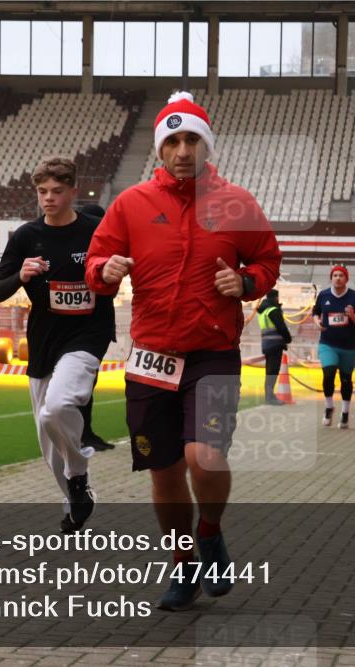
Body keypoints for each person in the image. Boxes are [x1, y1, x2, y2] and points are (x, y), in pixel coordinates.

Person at [85, 91, 281, 611]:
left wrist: (246, 281)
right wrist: (101, 272)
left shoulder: (238, 203)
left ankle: (210, 532)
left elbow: (267, 262)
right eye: (172, 140)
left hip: (212, 351)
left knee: (206, 455)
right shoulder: (131, 203)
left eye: (191, 139)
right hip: (151, 354)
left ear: (206, 145)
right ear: (159, 149)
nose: (182, 149)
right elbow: (99, 258)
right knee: (165, 470)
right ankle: (182, 566)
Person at [0, 156, 115, 534]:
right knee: (48, 446)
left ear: (73, 192)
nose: (48, 198)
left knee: (56, 408)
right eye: (42, 191)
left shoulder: (96, 231)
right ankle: (76, 501)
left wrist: (111, 273)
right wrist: (20, 274)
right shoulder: (27, 236)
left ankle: (78, 476)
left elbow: (117, 274)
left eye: (57, 191)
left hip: (86, 336)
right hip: (45, 339)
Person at [77, 202, 115, 452]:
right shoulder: (85, 252)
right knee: (81, 385)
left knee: (87, 384)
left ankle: (84, 432)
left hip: (95, 326)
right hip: (84, 327)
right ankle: (80, 434)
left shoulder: (104, 251)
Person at [311, 265, 355, 429]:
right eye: (335, 275)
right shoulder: (324, 295)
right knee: (328, 374)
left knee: (345, 380)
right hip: (328, 343)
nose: (338, 278)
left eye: (341, 275)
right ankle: (329, 407)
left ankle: (345, 412)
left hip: (348, 345)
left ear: (346, 278)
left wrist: (352, 315)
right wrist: (317, 323)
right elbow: (315, 312)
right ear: (331, 278)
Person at [257, 289, 293, 405]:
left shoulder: (263, 311)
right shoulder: (274, 310)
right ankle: (270, 398)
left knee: (269, 372)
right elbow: (281, 327)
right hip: (275, 344)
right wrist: (288, 339)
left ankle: (269, 396)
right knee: (272, 372)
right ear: (276, 297)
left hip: (267, 344)